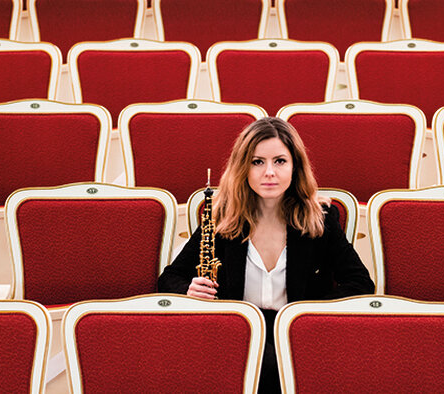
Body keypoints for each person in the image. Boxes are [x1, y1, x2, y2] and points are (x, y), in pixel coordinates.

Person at [158, 117, 375, 393]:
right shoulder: (222, 218)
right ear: (243, 168)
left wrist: (303, 314)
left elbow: (361, 285)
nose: (269, 172)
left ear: (295, 166)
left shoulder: (320, 219)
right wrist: (189, 290)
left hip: (299, 338)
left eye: (280, 161)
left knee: (272, 365)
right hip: (236, 339)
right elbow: (169, 279)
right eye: (257, 162)